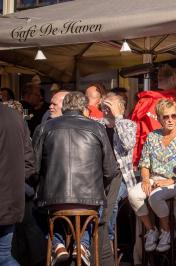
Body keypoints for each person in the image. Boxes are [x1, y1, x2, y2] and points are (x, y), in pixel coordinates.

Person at [33, 91, 119, 265]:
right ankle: (83, 246)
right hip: (90, 202)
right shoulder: (97, 128)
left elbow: (34, 169)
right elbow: (110, 170)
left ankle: (58, 245)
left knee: (36, 211)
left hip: (53, 202)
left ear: (64, 108)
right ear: (83, 108)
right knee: (94, 214)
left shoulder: (44, 128)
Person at [128, 99, 176, 252]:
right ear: (158, 118)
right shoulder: (152, 136)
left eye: (174, 116)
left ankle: (166, 231)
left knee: (155, 197)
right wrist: (145, 179)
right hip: (155, 178)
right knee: (133, 194)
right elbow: (145, 163)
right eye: (166, 117)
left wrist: (169, 181)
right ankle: (151, 230)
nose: (170, 120)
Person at [130, 64, 176, 166]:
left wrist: (134, 161)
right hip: (172, 164)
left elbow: (133, 132)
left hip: (144, 162)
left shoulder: (143, 102)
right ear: (174, 78)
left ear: (158, 79)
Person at [0, 104, 35, 266]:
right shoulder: (15, 117)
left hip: (8, 199)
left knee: (4, 256)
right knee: (4, 255)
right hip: (10, 200)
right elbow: (29, 162)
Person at [101, 93, 137, 248]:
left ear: (120, 107)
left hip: (122, 177)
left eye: (110, 105)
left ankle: (106, 240)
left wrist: (118, 117)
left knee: (112, 201)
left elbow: (128, 144)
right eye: (105, 105)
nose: (107, 108)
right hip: (100, 177)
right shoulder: (97, 125)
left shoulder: (128, 124)